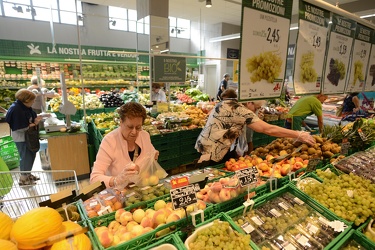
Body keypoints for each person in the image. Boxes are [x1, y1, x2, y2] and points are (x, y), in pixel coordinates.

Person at [195, 89, 315, 163]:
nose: (256, 112)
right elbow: (268, 129)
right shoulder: (240, 110)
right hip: (215, 150)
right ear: (249, 102)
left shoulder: (227, 102)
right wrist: (298, 134)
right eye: (256, 108)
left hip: (206, 145)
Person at [90, 102, 159, 188]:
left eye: (138, 127)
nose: (134, 132)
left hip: (140, 189)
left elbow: (151, 153)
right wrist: (116, 180)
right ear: (121, 122)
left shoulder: (144, 135)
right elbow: (94, 178)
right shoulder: (109, 141)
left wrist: (154, 156)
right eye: (130, 127)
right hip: (117, 193)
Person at [5, 89, 42, 186]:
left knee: (31, 155)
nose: (34, 102)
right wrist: (34, 123)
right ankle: (23, 178)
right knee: (25, 157)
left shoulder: (24, 107)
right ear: (26, 100)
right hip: (21, 138)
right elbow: (19, 127)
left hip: (28, 137)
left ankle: (28, 174)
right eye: (32, 100)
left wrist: (35, 120)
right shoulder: (17, 109)